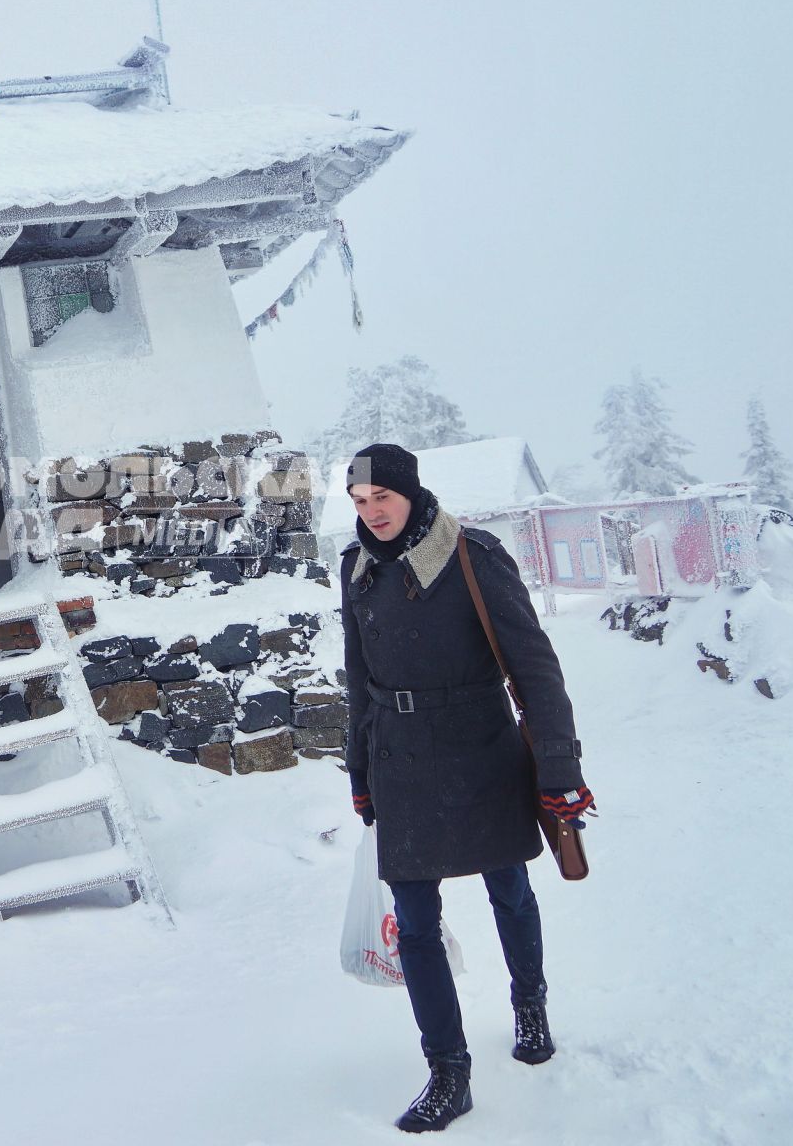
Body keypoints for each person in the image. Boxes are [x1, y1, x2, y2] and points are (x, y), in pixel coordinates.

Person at [339, 443, 594, 1134]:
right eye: (360, 503)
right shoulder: (355, 570)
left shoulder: (473, 557)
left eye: (381, 498)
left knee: (508, 887)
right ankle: (448, 1071)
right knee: (414, 925)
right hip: (401, 761)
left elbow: (537, 671)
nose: (372, 513)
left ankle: (530, 1003)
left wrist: (561, 773)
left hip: (482, 751)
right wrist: (360, 774)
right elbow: (357, 679)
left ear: (410, 492)